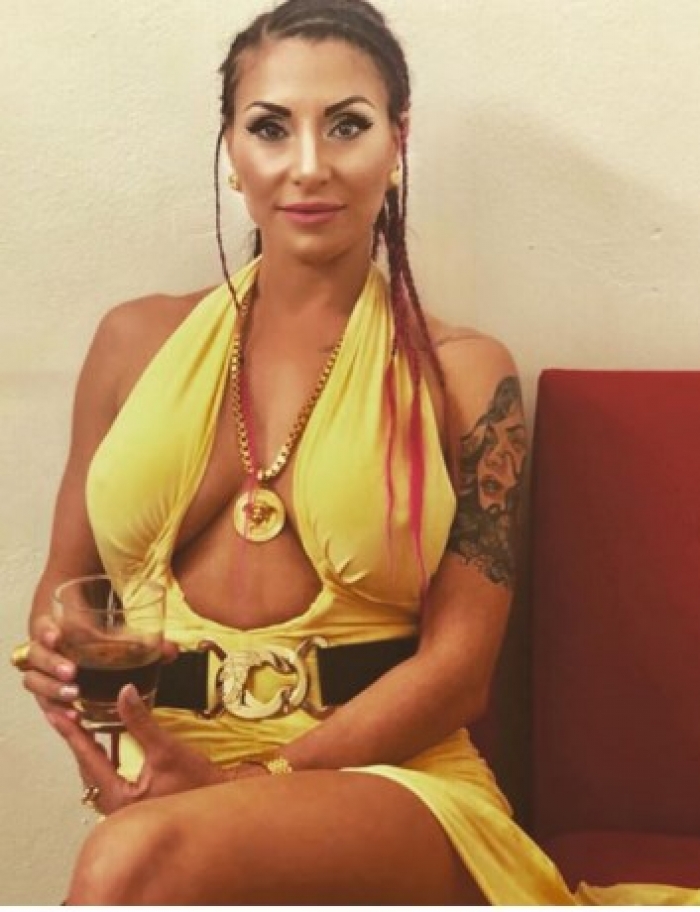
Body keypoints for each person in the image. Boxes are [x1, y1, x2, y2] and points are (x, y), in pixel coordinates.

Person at [11, 0, 698, 904]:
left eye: (346, 125)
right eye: (270, 127)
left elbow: (459, 675)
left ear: (397, 142)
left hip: (391, 783)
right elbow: (67, 592)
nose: (309, 165)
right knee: (141, 853)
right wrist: (77, 691)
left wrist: (249, 784)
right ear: (231, 152)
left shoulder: (465, 375)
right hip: (164, 776)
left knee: (128, 863)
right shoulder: (131, 343)